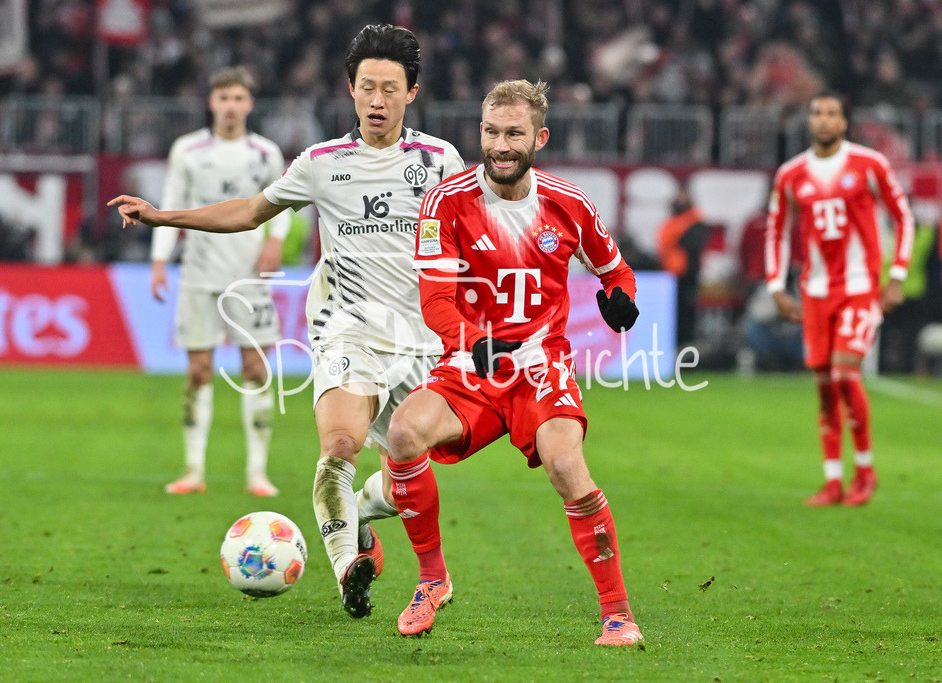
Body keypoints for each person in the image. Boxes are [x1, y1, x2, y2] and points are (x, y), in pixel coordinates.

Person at [109, 25, 465, 619]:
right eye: (367, 87)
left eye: (390, 89)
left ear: (412, 93)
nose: (377, 101)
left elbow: (470, 234)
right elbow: (251, 211)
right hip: (345, 327)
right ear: (350, 89)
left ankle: (364, 520)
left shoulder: (439, 161)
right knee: (340, 448)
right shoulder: (321, 163)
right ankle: (348, 566)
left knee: (405, 468)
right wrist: (162, 217)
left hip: (418, 338)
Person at [384, 79, 644, 646]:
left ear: (540, 137)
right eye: (492, 132)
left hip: (540, 366)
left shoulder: (569, 204)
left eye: (514, 134)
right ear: (480, 132)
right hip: (471, 364)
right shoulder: (446, 201)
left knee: (566, 467)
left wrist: (620, 300)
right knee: (403, 433)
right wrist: (469, 338)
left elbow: (615, 271)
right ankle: (432, 580)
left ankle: (618, 613)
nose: (500, 145)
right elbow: (434, 299)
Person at [765, 91, 914, 506]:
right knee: (825, 387)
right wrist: (776, 285)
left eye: (832, 114)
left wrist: (896, 276)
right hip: (814, 291)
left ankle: (865, 472)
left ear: (845, 122)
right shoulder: (791, 174)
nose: (824, 120)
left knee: (847, 373)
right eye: (817, 113)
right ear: (809, 120)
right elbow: (776, 229)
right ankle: (833, 480)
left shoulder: (869, 165)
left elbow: (903, 216)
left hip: (859, 286)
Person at [148, 66, 290, 498]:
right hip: (197, 274)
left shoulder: (266, 153)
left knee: (255, 368)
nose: (230, 106)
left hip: (249, 278)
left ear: (249, 104)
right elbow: (171, 205)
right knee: (198, 371)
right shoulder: (188, 150)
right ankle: (193, 470)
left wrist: (275, 243)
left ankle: (257, 472)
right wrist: (158, 260)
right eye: (223, 98)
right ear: (212, 102)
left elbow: (282, 202)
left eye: (238, 98)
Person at [655, 186, 709, 347]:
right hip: (670, 274)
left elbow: (691, 245)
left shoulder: (694, 221)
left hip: (685, 275)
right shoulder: (674, 222)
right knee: (672, 313)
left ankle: (684, 346)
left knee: (685, 313)